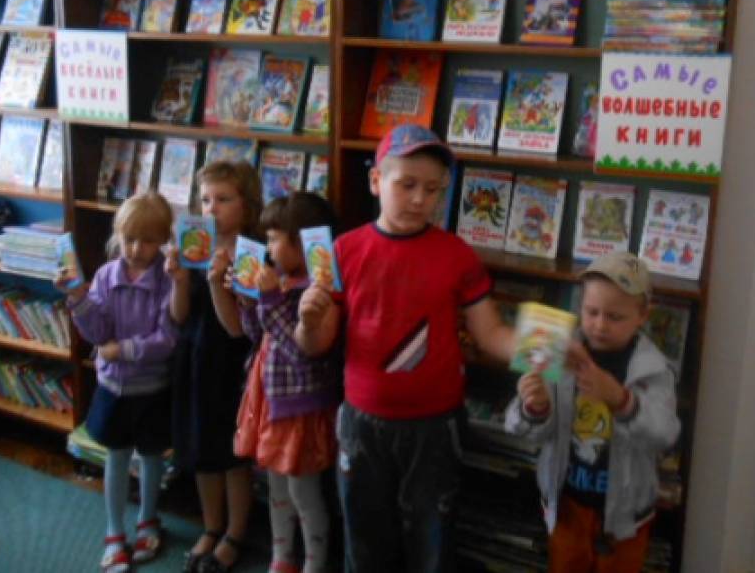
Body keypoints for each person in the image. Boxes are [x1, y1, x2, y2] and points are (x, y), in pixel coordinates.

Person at [297, 124, 516, 573]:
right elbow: (315, 345)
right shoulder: (344, 251)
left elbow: (492, 334)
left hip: (434, 426)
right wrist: (307, 321)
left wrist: (551, 354)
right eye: (407, 185)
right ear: (376, 181)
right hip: (362, 423)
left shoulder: (457, 256)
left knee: (431, 542)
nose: (420, 199)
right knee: (365, 541)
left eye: (433, 190)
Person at [505, 252, 681, 573]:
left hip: (627, 516)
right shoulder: (557, 351)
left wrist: (621, 400)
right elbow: (520, 429)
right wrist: (535, 407)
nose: (600, 325)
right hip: (567, 506)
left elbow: (666, 435)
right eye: (591, 312)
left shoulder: (654, 369)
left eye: (615, 317)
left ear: (643, 315)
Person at [217, 192, 341, 573]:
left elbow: (300, 350)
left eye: (273, 239)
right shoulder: (283, 283)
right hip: (271, 402)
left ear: (302, 243)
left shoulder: (318, 292)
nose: (268, 248)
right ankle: (282, 559)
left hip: (301, 408)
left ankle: (314, 564)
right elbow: (257, 335)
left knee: (305, 494)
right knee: (277, 490)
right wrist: (247, 301)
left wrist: (269, 298)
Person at [59, 192, 177, 573]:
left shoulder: (167, 281)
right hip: (114, 388)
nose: (136, 249)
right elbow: (97, 332)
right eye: (129, 239)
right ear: (118, 235)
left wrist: (123, 350)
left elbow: (166, 339)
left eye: (147, 240)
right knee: (117, 456)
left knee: (152, 456)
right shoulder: (107, 276)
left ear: (163, 240)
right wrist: (78, 300)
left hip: (152, 388)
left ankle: (148, 519)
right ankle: (114, 530)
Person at [166, 161, 262, 573]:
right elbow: (179, 316)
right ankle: (211, 525)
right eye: (205, 200)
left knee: (232, 452)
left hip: (231, 362)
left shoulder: (251, 252)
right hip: (195, 356)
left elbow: (238, 329)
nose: (212, 208)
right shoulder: (195, 246)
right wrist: (179, 280)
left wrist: (216, 281)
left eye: (223, 199)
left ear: (247, 204)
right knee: (200, 445)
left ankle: (235, 533)